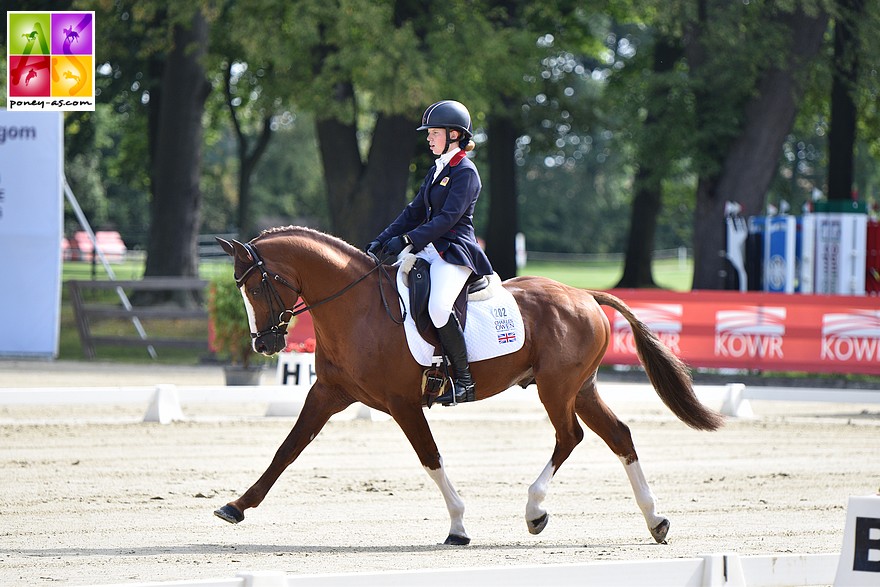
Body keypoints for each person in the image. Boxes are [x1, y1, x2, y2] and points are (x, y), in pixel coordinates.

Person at [366, 100, 493, 406]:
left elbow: (447, 219)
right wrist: (383, 239)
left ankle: (464, 381)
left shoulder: (466, 171)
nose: (428, 138)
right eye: (430, 133)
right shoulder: (438, 170)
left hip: (455, 252)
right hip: (429, 249)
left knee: (438, 307)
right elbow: (413, 211)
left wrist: (407, 239)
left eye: (434, 133)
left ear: (453, 135)